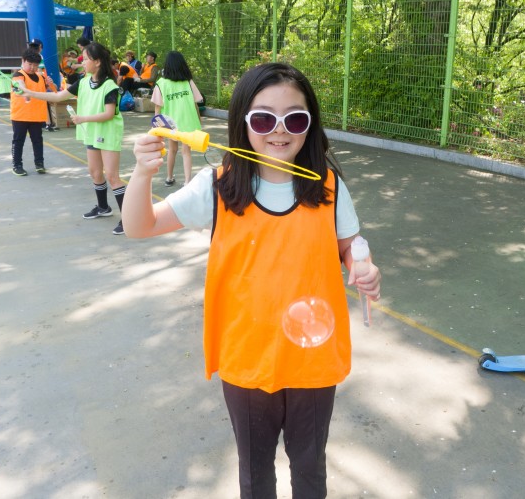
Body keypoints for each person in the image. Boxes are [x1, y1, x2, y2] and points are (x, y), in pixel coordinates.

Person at [122, 62, 382, 498]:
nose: (279, 131)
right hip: (246, 358)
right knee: (255, 472)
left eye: (294, 119)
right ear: (243, 122)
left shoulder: (329, 188)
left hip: (313, 362)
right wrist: (143, 174)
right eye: (263, 118)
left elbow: (353, 250)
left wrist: (366, 271)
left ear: (310, 125)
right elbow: (139, 225)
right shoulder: (218, 186)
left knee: (309, 468)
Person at [18, 42, 127, 235]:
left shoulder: (109, 86)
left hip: (107, 132)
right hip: (92, 131)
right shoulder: (83, 82)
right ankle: (103, 208)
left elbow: (109, 114)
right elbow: (58, 96)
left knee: (112, 176)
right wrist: (30, 93)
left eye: (85, 59)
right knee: (94, 172)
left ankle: (128, 219)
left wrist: (83, 118)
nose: (82, 63)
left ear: (98, 62)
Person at [152, 51, 203, 186]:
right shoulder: (188, 82)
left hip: (170, 124)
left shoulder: (161, 83)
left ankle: (169, 178)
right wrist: (199, 121)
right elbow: (196, 103)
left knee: (172, 150)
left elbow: (157, 109)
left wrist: (156, 127)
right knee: (186, 152)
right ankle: (187, 182)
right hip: (189, 122)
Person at [10, 49, 49, 176]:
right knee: (18, 141)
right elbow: (20, 84)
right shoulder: (18, 75)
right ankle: (17, 165)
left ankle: (39, 164)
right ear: (23, 61)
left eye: (35, 65)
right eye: (30, 64)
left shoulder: (41, 76)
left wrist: (50, 84)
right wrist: (24, 90)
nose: (32, 67)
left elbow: (45, 90)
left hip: (37, 115)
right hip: (21, 116)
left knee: (38, 140)